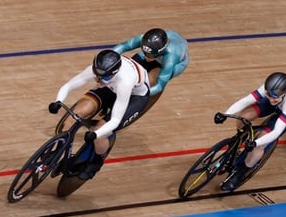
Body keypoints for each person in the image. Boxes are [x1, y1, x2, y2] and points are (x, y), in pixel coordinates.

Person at [49, 49, 151, 180]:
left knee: (100, 131)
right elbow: (69, 85)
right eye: (97, 76)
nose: (99, 80)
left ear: (114, 74)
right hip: (109, 88)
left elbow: (115, 120)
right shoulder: (98, 71)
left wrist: (95, 133)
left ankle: (96, 163)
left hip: (135, 96)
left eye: (105, 77)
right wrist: (58, 101)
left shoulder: (124, 82)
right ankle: (58, 150)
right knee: (74, 116)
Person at [212, 72, 286, 192]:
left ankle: (241, 172)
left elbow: (277, 131)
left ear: (283, 94)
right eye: (269, 95)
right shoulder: (270, 89)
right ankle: (239, 142)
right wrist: (225, 114)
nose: (272, 99)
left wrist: (256, 143)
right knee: (244, 116)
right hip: (278, 104)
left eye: (275, 97)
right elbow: (246, 101)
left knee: (261, 143)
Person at [112, 28, 189, 97]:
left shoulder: (171, 57)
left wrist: (136, 93)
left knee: (151, 79)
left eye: (150, 55)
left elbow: (159, 86)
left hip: (178, 64)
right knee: (133, 65)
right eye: (146, 53)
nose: (146, 58)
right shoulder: (145, 39)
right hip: (160, 48)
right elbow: (123, 47)